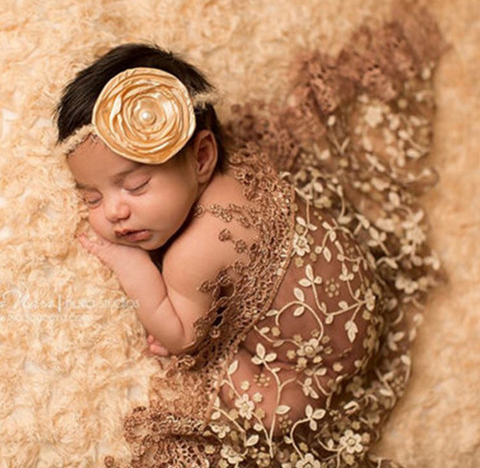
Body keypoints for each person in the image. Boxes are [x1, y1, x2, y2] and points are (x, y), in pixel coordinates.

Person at [56, 27, 443, 467]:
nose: (114, 212)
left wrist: (128, 263)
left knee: (244, 397)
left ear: (202, 157)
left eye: (136, 186)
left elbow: (181, 336)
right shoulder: (235, 161)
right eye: (91, 197)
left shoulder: (193, 254)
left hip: (305, 376)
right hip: (359, 293)